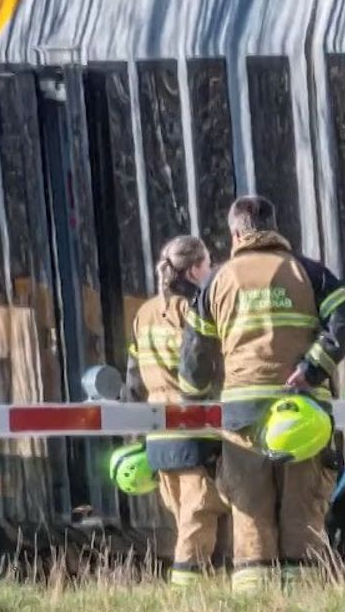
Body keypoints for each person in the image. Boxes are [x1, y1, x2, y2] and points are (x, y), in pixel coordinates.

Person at [181, 195, 345, 592]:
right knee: (302, 503)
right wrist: (311, 369)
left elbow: (195, 353)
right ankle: (304, 594)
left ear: (234, 233)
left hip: (241, 411)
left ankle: (255, 592)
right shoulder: (311, 273)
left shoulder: (217, 281)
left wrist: (195, 398)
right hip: (303, 411)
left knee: (249, 506)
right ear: (276, 226)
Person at [124, 235, 226, 587]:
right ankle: (185, 595)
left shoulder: (144, 313)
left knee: (185, 519)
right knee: (199, 520)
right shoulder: (196, 309)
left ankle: (201, 592)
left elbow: (133, 380)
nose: (211, 270)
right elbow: (207, 365)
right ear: (196, 268)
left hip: (159, 437)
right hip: (196, 433)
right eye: (208, 263)